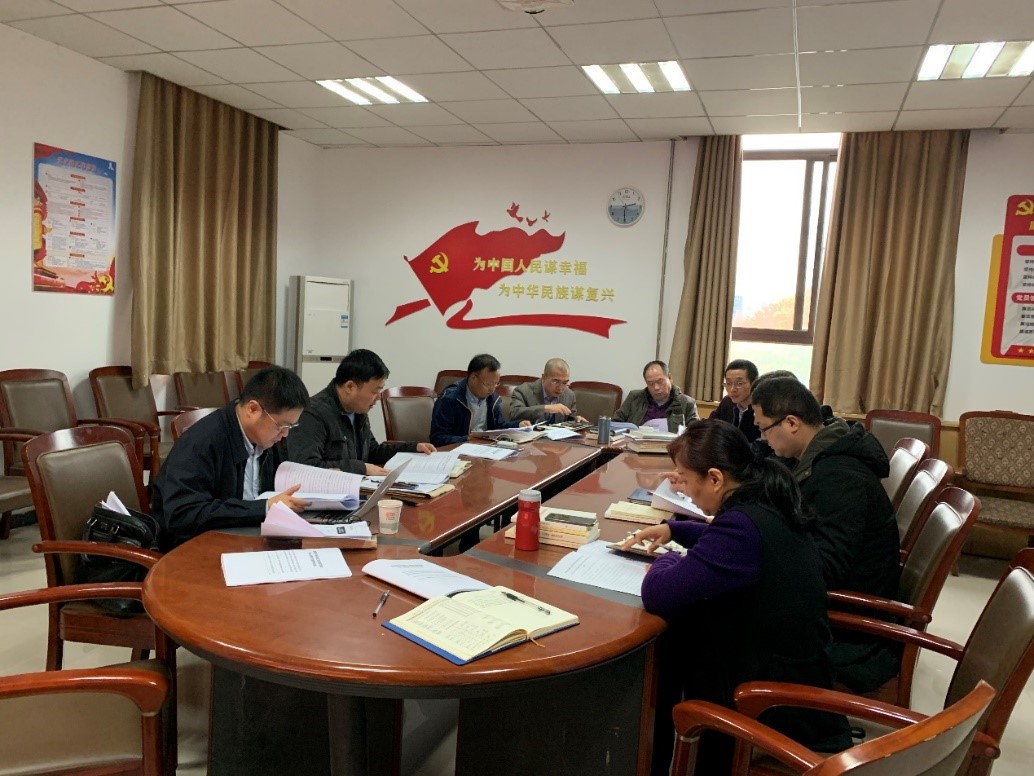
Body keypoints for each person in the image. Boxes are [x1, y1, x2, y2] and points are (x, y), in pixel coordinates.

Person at [624, 421, 851, 774]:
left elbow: (658, 593)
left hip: (768, 701)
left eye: (684, 478)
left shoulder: (741, 529)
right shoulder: (765, 499)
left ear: (715, 479)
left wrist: (667, 559)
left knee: (666, 645)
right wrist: (674, 529)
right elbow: (723, 539)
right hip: (791, 665)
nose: (682, 489)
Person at [750, 376, 901, 691]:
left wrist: (759, 552)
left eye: (764, 429)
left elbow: (826, 568)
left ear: (792, 423)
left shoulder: (840, 478)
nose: (762, 439)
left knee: (716, 619)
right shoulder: (822, 456)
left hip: (847, 632)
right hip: (831, 607)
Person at [152, 365, 310, 549]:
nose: (285, 434)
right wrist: (264, 508)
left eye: (290, 427)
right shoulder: (202, 441)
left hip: (246, 536)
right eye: (281, 426)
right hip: (196, 547)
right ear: (253, 409)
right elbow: (183, 515)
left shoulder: (265, 439)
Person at [286, 349, 435, 476]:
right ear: (350, 387)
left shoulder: (358, 410)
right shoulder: (312, 414)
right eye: (374, 391)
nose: (378, 398)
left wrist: (413, 448)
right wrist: (361, 468)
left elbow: (372, 451)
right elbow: (306, 468)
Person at [430, 354, 530, 445]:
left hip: (486, 449)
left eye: (496, 384)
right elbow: (437, 438)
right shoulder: (450, 399)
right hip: (459, 451)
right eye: (488, 384)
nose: (492, 389)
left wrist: (518, 425)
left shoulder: (492, 398)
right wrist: (467, 438)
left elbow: (498, 427)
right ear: (473, 378)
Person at [612, 360, 698, 431]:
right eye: (651, 383)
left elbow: (697, 434)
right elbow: (614, 423)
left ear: (670, 378)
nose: (656, 387)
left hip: (670, 446)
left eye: (660, 381)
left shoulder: (687, 403)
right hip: (636, 445)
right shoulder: (634, 398)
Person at [508, 358, 587, 424]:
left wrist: (576, 421)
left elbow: (570, 418)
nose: (560, 388)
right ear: (544, 377)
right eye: (555, 381)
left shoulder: (569, 395)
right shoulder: (523, 390)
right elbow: (514, 413)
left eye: (565, 383)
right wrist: (545, 408)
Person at [711, 358, 760, 443]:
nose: (732, 389)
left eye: (739, 383)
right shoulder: (727, 402)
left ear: (754, 384)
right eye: (728, 383)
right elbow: (711, 427)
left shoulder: (762, 408)